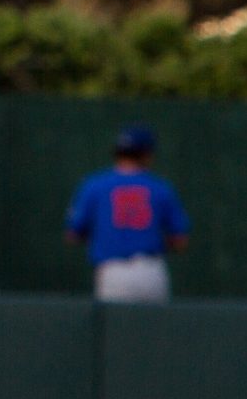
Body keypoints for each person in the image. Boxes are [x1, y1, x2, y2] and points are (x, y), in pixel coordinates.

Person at [66, 125, 191, 304]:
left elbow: (73, 235)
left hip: (112, 271)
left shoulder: (93, 185)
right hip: (151, 270)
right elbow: (180, 241)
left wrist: (106, 236)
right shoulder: (160, 187)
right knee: (153, 331)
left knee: (114, 331)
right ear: (146, 154)